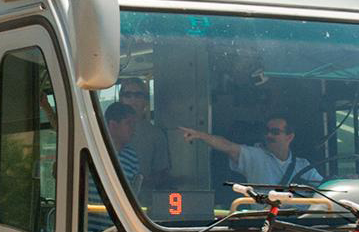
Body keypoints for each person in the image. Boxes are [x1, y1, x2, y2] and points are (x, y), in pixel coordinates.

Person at [179, 114, 322, 187]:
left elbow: (323, 189)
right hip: (262, 225)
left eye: (274, 132)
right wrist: (200, 135)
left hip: (301, 225)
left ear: (289, 137)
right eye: (267, 131)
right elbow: (228, 146)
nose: (268, 135)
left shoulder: (304, 166)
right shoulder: (255, 155)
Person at [116, 77, 172, 183]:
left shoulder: (156, 135)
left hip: (142, 198)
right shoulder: (106, 130)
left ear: (146, 101)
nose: (133, 99)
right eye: (128, 95)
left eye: (138, 95)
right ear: (121, 99)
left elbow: (161, 174)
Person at [103, 102, 145, 190]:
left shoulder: (132, 156)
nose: (133, 128)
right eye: (128, 123)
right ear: (113, 126)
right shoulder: (94, 151)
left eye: (134, 124)